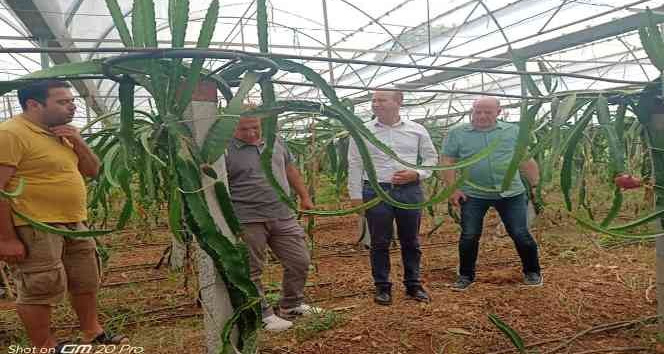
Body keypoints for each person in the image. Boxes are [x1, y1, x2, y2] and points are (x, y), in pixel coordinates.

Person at [0, 80, 127, 352]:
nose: (72, 106)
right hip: (34, 224)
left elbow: (94, 170)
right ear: (34, 104)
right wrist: (6, 238)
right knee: (40, 286)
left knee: (85, 278)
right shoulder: (11, 133)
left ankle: (93, 332)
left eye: (71, 100)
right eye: (63, 101)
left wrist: (78, 142)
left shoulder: (62, 133)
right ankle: (44, 345)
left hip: (74, 221)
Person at [225, 113, 320, 332]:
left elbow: (290, 170)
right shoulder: (223, 149)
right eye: (243, 129)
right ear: (231, 128)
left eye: (255, 127)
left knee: (300, 261)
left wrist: (304, 197)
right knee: (252, 269)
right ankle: (263, 314)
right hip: (246, 218)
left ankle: (291, 305)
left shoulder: (275, 140)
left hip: (282, 213)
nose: (251, 133)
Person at [441, 96, 542, 291]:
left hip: (510, 192)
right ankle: (465, 276)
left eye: (487, 112)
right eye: (477, 111)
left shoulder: (513, 131)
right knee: (469, 235)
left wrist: (536, 185)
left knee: (520, 233)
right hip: (473, 193)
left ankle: (532, 271)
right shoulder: (457, 133)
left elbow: (524, 159)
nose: (481, 116)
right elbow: (447, 161)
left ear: (499, 112)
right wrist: (452, 188)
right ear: (472, 111)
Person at [347, 90, 438, 305]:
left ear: (398, 102)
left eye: (381, 100)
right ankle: (382, 286)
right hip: (375, 190)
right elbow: (355, 163)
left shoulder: (417, 130)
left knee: (411, 240)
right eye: (374, 100)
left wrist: (416, 173)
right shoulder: (362, 131)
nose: (376, 104)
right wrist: (355, 196)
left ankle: (413, 284)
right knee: (379, 241)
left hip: (409, 190)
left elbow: (431, 158)